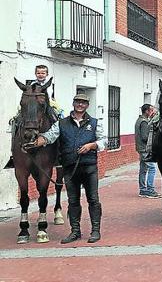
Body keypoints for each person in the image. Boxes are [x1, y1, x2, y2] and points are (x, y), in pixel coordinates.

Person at [29, 93, 107, 244]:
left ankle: (95, 230)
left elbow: (104, 140)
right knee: (73, 201)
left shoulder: (95, 123)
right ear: (73, 103)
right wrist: (34, 143)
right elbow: (49, 136)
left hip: (89, 166)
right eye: (78, 102)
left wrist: (92, 145)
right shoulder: (61, 123)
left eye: (83, 103)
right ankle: (75, 231)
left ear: (87, 105)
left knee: (93, 199)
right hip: (70, 168)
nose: (80, 105)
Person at [135, 104, 160, 198]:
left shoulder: (140, 120)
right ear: (147, 111)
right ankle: (149, 189)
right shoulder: (144, 122)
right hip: (144, 149)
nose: (152, 112)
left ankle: (142, 189)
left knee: (143, 169)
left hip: (141, 148)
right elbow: (145, 137)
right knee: (152, 168)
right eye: (151, 110)